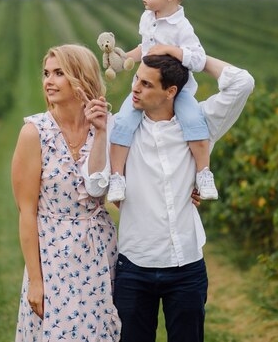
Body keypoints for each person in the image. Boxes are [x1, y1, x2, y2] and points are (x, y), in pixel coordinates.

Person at [83, 54, 254, 342]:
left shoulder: (200, 125)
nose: (135, 88)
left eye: (147, 84)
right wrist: (100, 134)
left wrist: (186, 54)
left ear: (171, 91)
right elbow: (96, 189)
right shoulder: (118, 129)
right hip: (135, 265)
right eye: (137, 79)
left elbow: (242, 83)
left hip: (186, 265)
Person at [11, 45, 121, 342]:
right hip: (52, 256)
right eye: (46, 73)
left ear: (81, 78)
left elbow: (125, 186)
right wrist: (36, 280)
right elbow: (26, 212)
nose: (49, 80)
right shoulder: (35, 132)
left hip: (98, 253)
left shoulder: (106, 128)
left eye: (59, 73)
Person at [107, 0, 219, 202]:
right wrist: (125, 58)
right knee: (123, 122)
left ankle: (203, 173)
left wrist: (173, 50)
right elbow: (144, 48)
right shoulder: (147, 19)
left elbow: (198, 60)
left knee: (194, 123)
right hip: (147, 89)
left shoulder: (182, 28)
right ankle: (117, 177)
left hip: (177, 91)